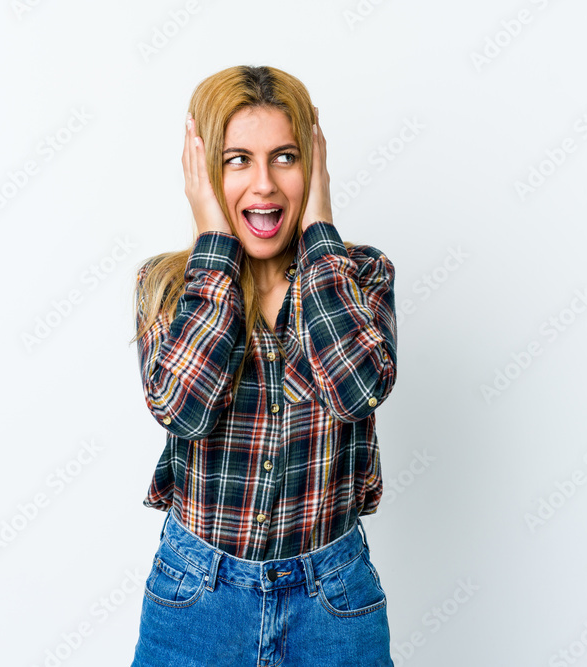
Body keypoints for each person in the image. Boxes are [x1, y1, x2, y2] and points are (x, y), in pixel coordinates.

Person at [129, 64, 398, 667]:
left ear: (314, 166)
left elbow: (357, 387)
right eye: (237, 160)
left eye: (284, 157)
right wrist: (213, 242)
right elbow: (182, 408)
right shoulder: (167, 287)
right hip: (198, 598)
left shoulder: (362, 276)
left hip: (332, 599)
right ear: (203, 173)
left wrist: (321, 227)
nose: (264, 185)